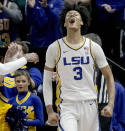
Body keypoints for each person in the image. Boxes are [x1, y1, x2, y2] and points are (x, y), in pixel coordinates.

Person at [43, 3, 115, 131]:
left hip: (90, 103)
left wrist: (110, 104)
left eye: (76, 14)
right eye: (68, 15)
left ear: (82, 22)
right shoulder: (54, 48)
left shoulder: (94, 47)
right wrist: (49, 110)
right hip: (67, 105)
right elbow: (47, 81)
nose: (72, 15)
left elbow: (109, 77)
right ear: (65, 24)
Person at [0, 41, 42, 131]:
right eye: (11, 50)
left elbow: (31, 85)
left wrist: (17, 63)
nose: (14, 53)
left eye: (17, 51)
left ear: (25, 55)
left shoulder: (33, 71)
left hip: (25, 124)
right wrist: (6, 65)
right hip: (1, 124)